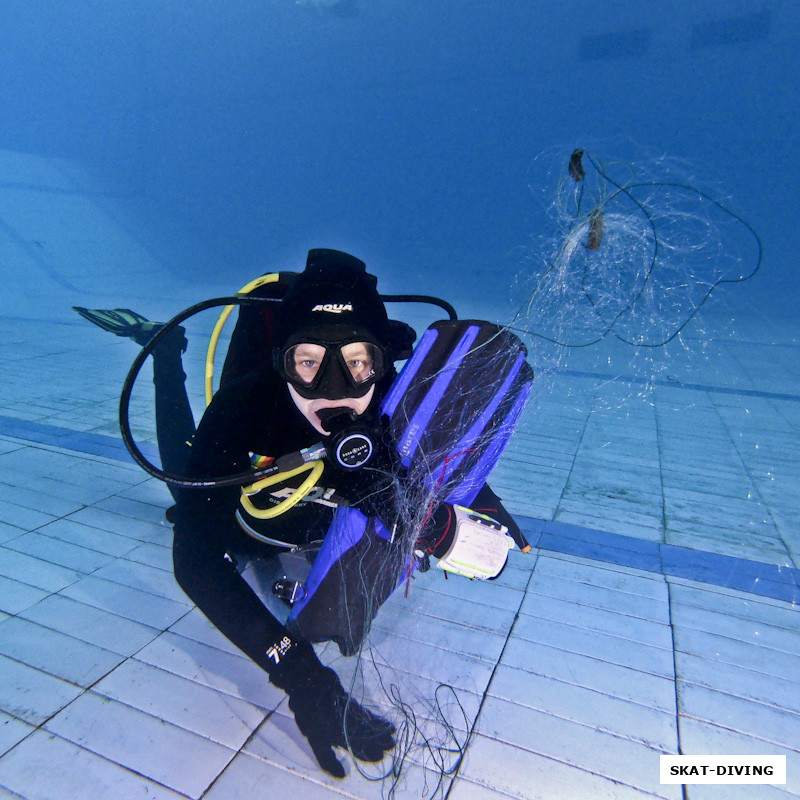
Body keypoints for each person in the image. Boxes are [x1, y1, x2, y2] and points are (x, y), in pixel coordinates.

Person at [76, 248, 528, 778]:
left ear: (382, 363)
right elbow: (194, 559)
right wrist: (298, 673)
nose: (333, 389)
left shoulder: (392, 404)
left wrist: (474, 500)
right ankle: (166, 350)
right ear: (281, 361)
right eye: (308, 363)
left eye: (358, 363)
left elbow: (439, 445)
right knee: (185, 488)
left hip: (314, 519)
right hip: (257, 509)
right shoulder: (248, 405)